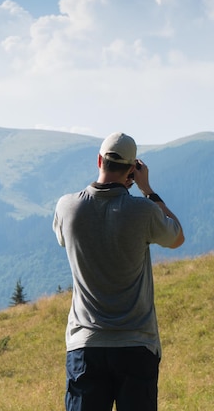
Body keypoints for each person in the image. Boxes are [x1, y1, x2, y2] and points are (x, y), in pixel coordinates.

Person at [53, 131, 184, 411]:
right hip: (137, 345)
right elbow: (177, 237)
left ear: (99, 160)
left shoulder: (67, 207)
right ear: (131, 172)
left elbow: (63, 238)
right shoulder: (143, 211)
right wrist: (148, 190)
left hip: (84, 344)